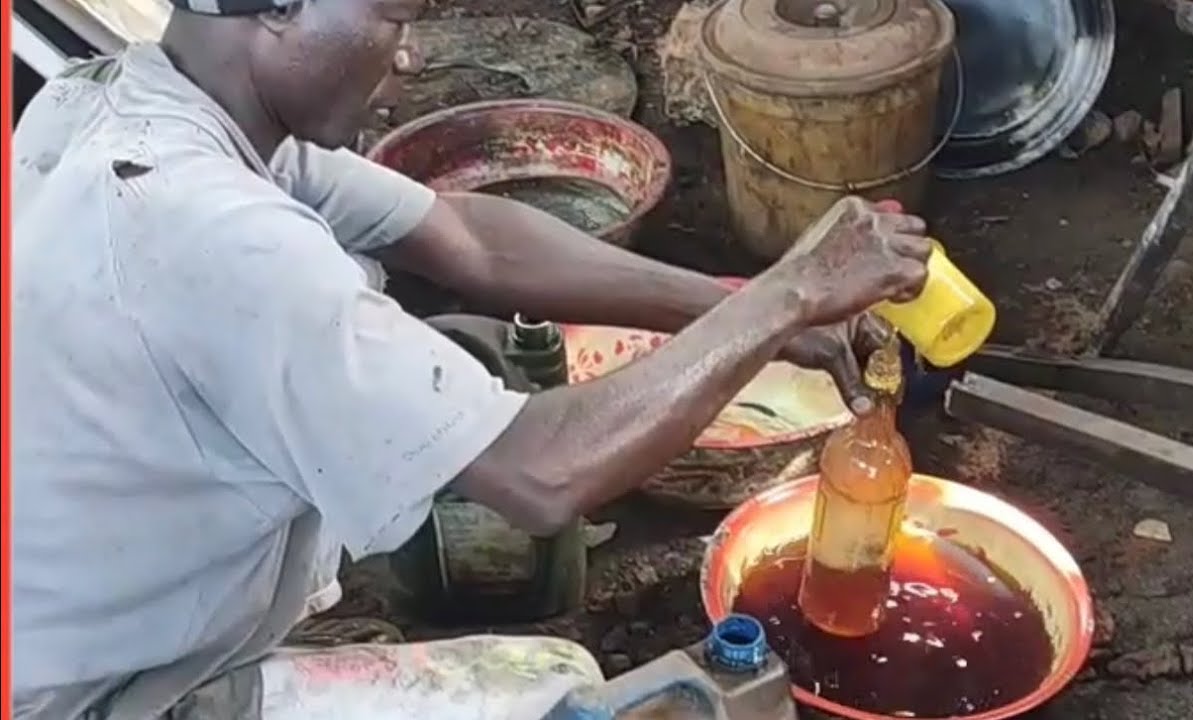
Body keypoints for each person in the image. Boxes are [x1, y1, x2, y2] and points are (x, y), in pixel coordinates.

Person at [10, 0, 932, 718]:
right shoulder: (204, 230)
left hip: (72, 636)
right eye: (394, 19)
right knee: (561, 688)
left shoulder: (129, 105)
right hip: (105, 696)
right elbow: (539, 472)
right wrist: (788, 295)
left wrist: (751, 305)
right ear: (278, 6)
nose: (407, 56)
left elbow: (469, 240)